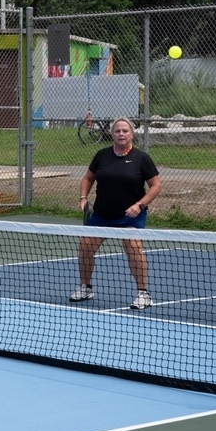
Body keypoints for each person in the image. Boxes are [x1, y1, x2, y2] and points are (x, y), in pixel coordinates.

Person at [70, 118, 162, 310]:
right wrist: (83, 197)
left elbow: (156, 186)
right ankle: (85, 287)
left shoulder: (141, 158)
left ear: (131, 134)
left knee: (132, 245)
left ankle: (143, 293)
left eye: (125, 131)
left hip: (131, 215)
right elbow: (88, 178)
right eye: (118, 131)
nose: (121, 134)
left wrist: (140, 205)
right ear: (112, 134)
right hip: (103, 214)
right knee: (86, 246)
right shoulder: (102, 155)